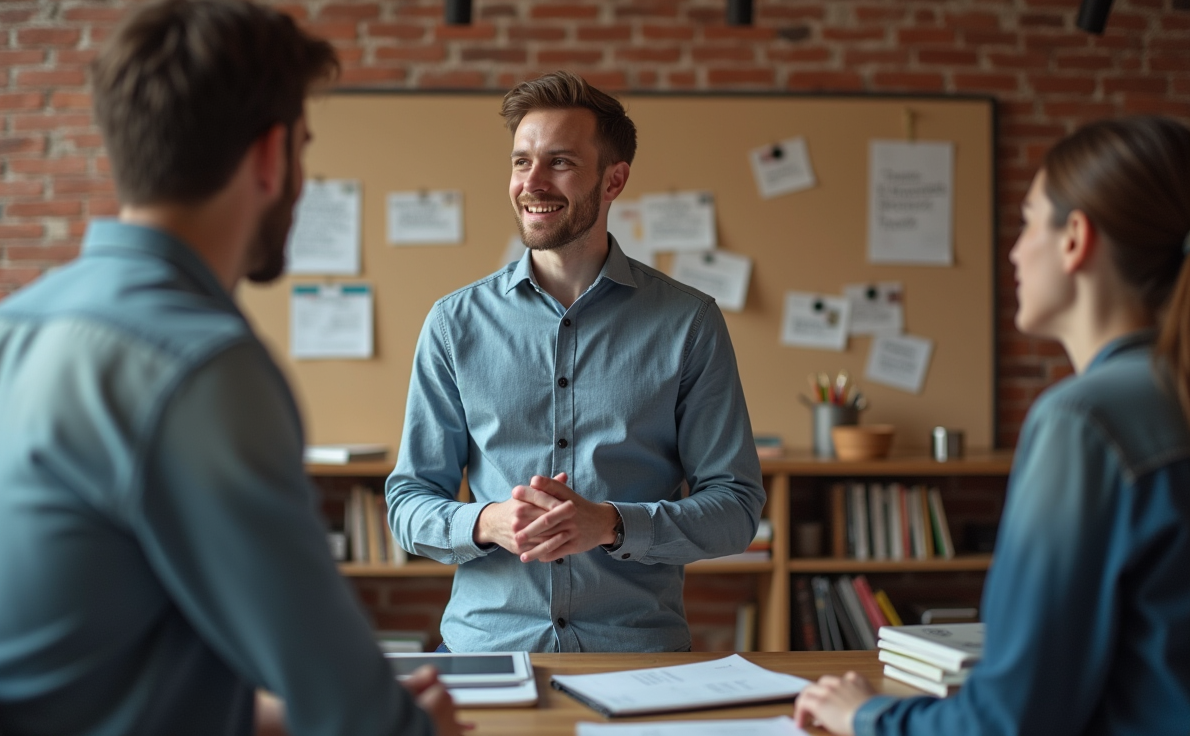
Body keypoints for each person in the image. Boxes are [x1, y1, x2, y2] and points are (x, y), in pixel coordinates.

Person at [0, 0, 462, 736]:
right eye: (305, 146)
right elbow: (354, 715)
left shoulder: (7, 328)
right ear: (272, 156)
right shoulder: (202, 369)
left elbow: (93, 667)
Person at [794, 115, 1190, 735]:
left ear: (1074, 238)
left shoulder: (1084, 419)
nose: (1014, 249)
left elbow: (1010, 721)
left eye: (1030, 219)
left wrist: (865, 714)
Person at [386, 71, 766, 653]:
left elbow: (736, 508)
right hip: (491, 652)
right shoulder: (453, 324)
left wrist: (612, 524)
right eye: (520, 162)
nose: (530, 182)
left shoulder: (689, 322)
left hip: (635, 656)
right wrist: (489, 523)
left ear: (614, 180)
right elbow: (409, 502)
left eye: (558, 162)